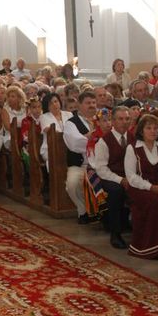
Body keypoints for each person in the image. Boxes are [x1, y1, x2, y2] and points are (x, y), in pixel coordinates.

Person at [124, 113, 158, 259]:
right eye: (149, 128)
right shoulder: (133, 148)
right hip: (139, 188)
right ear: (141, 130)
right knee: (155, 201)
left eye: (156, 128)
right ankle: (151, 247)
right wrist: (151, 187)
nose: (153, 131)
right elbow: (131, 176)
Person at [93, 106, 132, 249]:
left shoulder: (134, 138)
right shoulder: (104, 141)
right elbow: (101, 169)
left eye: (127, 119)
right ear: (113, 121)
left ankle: (142, 231)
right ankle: (115, 233)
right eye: (120, 119)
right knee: (116, 191)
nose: (124, 122)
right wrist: (120, 180)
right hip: (111, 177)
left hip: (131, 176)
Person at [63, 91, 97, 223]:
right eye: (88, 103)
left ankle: (102, 213)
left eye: (93, 102)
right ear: (79, 105)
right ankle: (83, 211)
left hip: (101, 163)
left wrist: (89, 138)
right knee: (72, 184)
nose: (92, 105)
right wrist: (93, 137)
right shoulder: (71, 123)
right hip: (80, 164)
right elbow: (75, 143)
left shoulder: (102, 119)